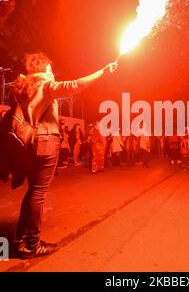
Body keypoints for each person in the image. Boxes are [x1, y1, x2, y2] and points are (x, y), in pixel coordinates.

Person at [11, 52, 117, 259]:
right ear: (44, 69)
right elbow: (75, 85)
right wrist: (103, 72)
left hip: (29, 143)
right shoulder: (45, 84)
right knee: (38, 194)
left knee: (32, 191)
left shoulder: (26, 87)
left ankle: (20, 239)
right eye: (50, 68)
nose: (52, 72)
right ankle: (32, 244)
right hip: (45, 142)